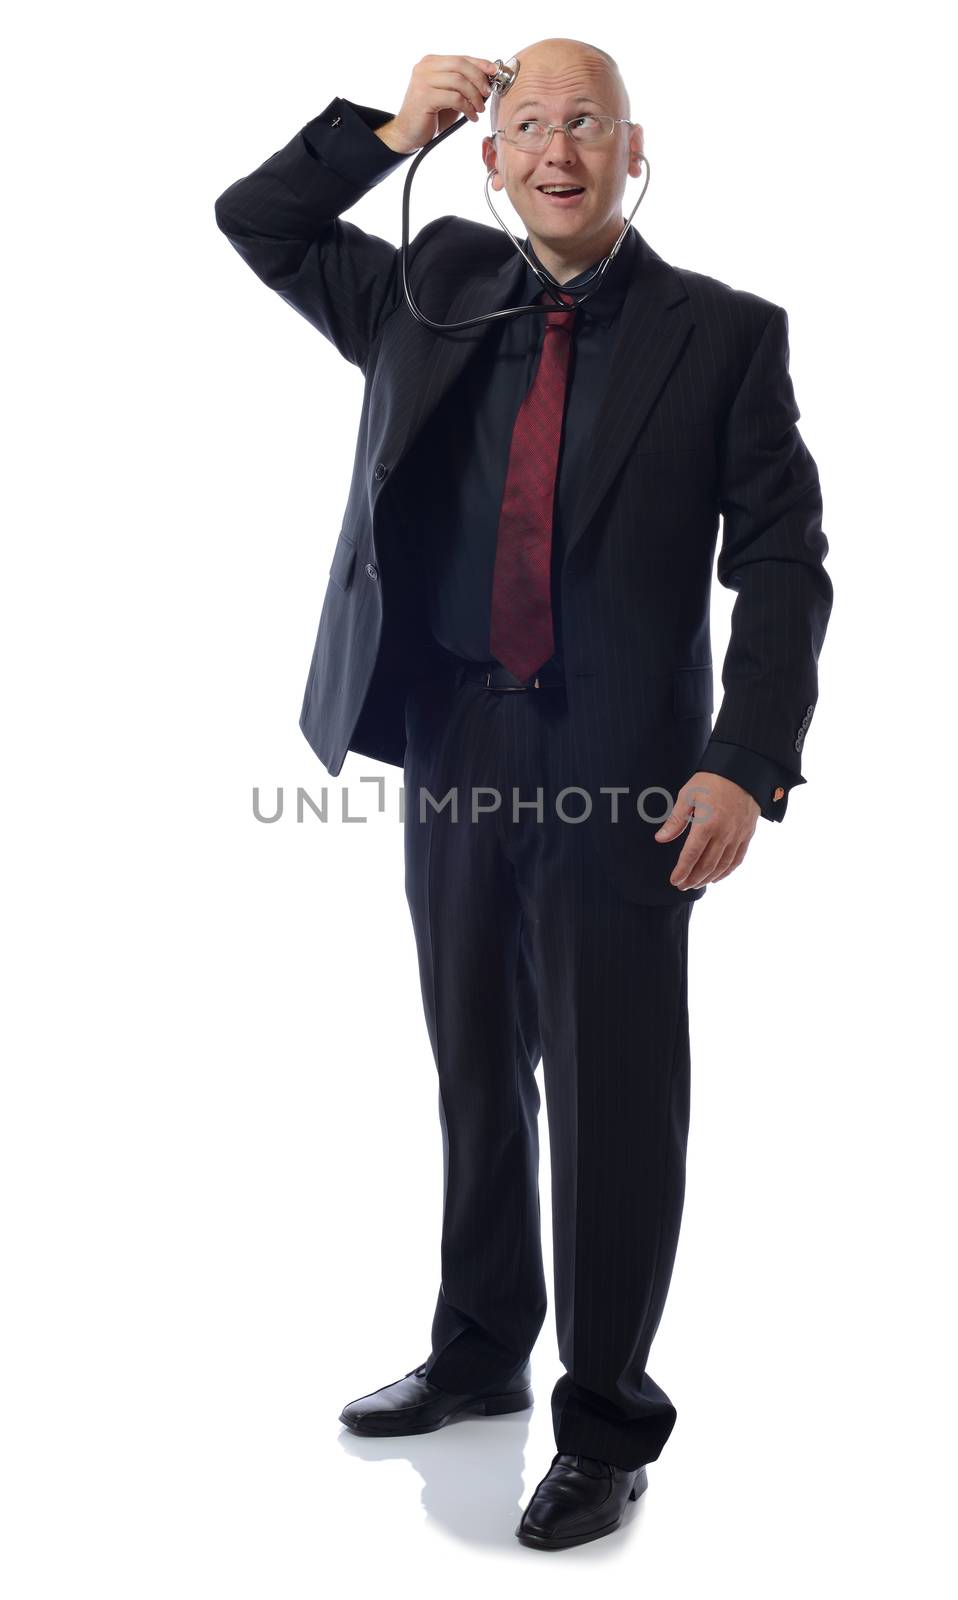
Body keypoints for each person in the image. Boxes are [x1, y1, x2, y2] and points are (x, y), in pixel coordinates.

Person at [214, 37, 833, 1551]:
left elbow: (781, 561)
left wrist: (742, 759)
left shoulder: (722, 336)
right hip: (451, 741)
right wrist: (383, 127)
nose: (557, 148)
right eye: (525, 125)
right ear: (487, 160)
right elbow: (260, 222)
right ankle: (482, 1349)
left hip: (625, 773)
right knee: (476, 1063)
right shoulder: (433, 285)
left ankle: (607, 1419)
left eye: (588, 125)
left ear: (637, 154)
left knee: (614, 1099)